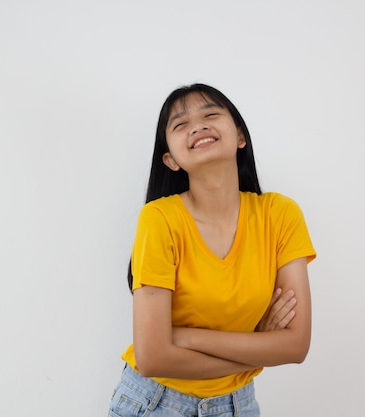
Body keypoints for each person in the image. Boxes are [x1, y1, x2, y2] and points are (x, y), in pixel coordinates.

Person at [109, 84, 316, 417]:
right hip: (157, 402)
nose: (198, 125)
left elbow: (295, 345)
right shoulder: (159, 218)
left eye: (211, 114)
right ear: (170, 160)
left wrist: (186, 338)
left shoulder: (280, 215)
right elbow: (151, 357)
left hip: (239, 405)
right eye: (180, 124)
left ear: (239, 136)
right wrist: (257, 344)